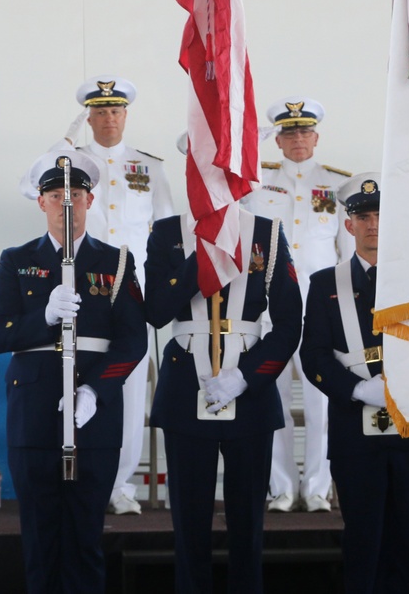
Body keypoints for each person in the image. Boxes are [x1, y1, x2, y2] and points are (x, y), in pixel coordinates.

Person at [0, 148, 147, 593]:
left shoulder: (117, 262)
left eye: (75, 193)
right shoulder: (16, 261)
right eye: (56, 194)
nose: (66, 203)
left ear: (90, 200)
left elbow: (133, 341)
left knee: (86, 534)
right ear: (40, 203)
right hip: (34, 413)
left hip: (94, 416)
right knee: (39, 535)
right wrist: (44, 318)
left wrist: (95, 390)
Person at [299, 173, 409, 593]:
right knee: (363, 541)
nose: (372, 225)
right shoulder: (323, 284)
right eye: (363, 216)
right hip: (355, 429)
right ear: (347, 225)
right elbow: (311, 354)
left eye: (380, 216)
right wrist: (354, 389)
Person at [145, 194, 302, 593]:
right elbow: (157, 310)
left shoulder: (267, 231)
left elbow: (287, 324)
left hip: (249, 390)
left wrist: (248, 376)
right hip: (185, 386)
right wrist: (203, 255)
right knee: (189, 523)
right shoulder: (167, 232)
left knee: (248, 524)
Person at [242, 96, 352, 513]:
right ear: (278, 141)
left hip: (323, 307)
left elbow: (345, 253)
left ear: (317, 137)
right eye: (289, 133)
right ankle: (282, 487)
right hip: (271, 306)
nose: (298, 139)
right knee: (272, 398)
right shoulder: (257, 181)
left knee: (324, 399)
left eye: (305, 132)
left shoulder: (338, 184)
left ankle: (319, 488)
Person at [70, 75, 175, 515]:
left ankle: (120, 485)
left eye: (116, 111)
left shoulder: (149, 167)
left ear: (125, 116)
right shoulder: (69, 163)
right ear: (88, 117)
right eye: (100, 111)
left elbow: (168, 232)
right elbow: (28, 189)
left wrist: (166, 295)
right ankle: (83, 479)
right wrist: (63, 143)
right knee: (80, 386)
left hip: (134, 293)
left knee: (131, 392)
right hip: (83, 292)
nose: (109, 118)